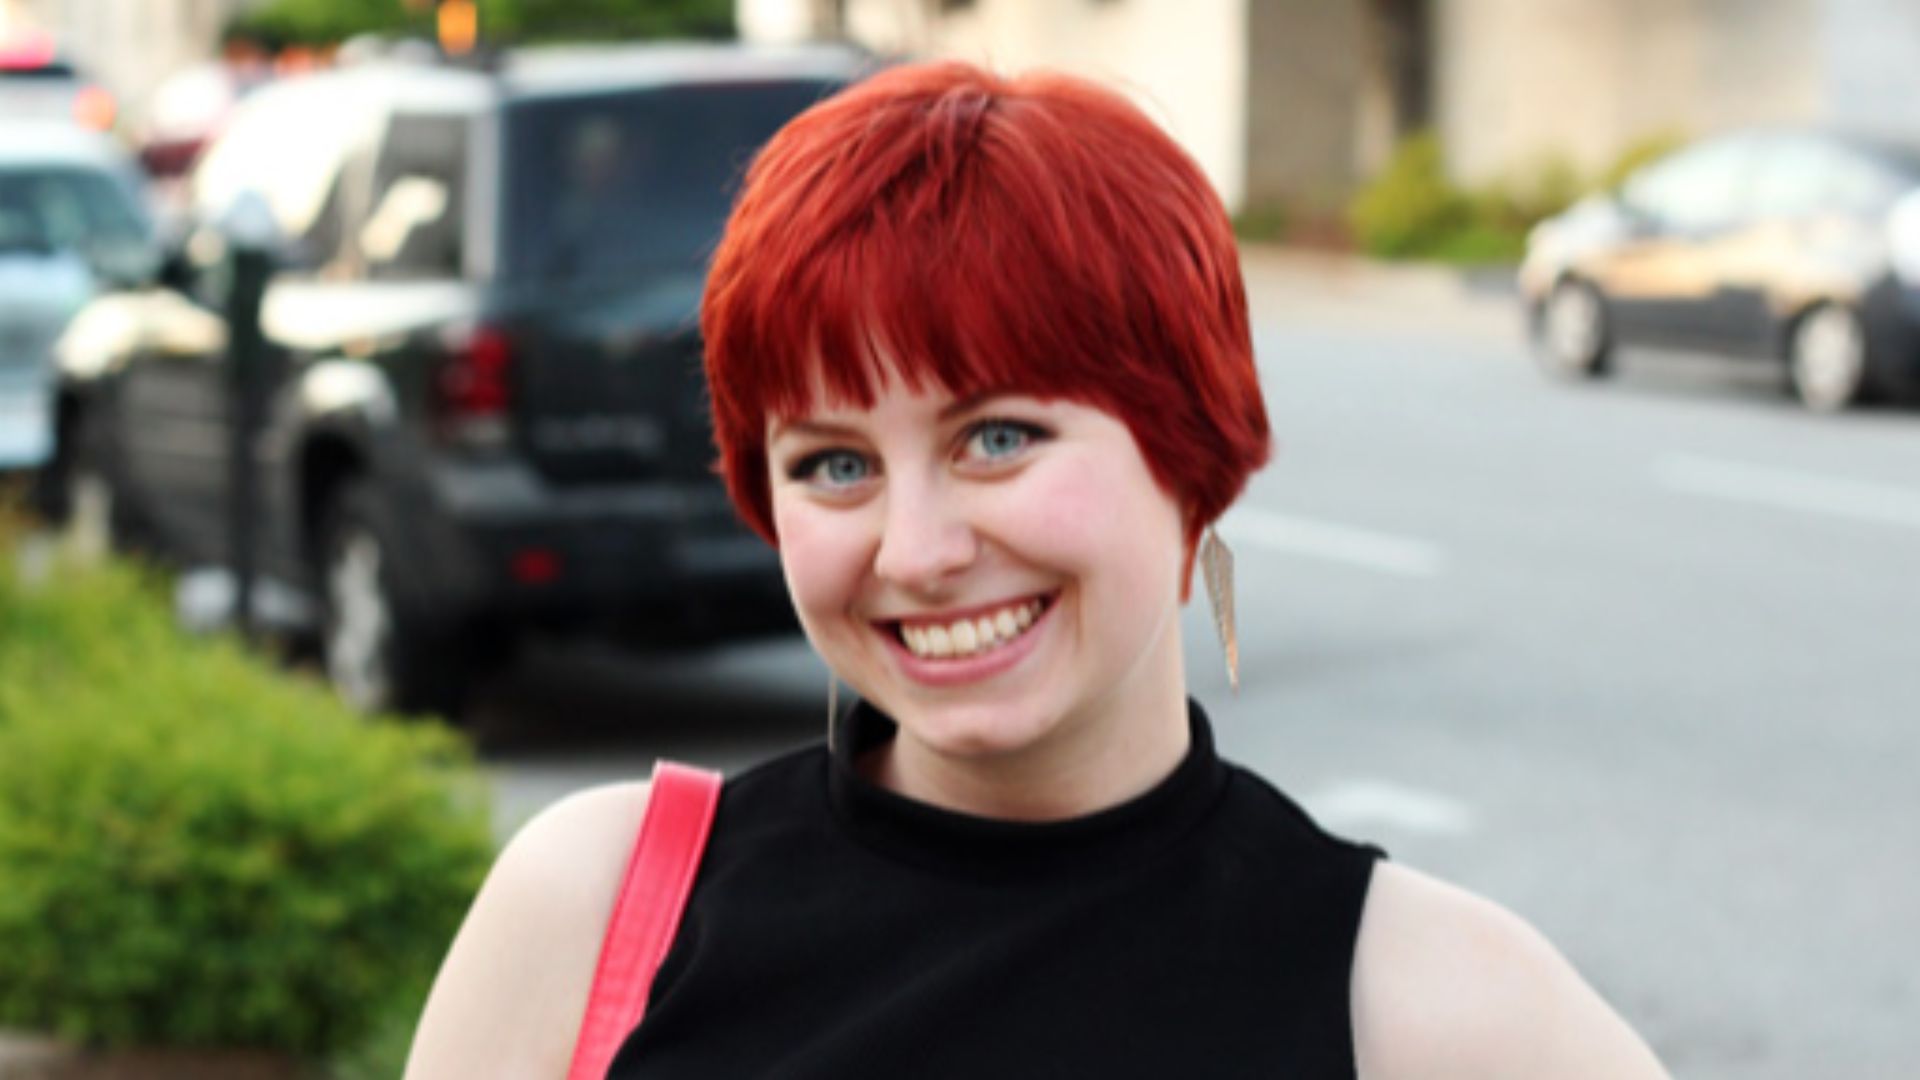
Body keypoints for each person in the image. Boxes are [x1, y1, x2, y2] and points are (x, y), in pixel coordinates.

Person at [405, 62, 1670, 1079]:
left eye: (996, 439)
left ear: (1191, 447)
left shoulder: (1422, 1007)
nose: (916, 550)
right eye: (834, 465)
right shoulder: (605, 910)